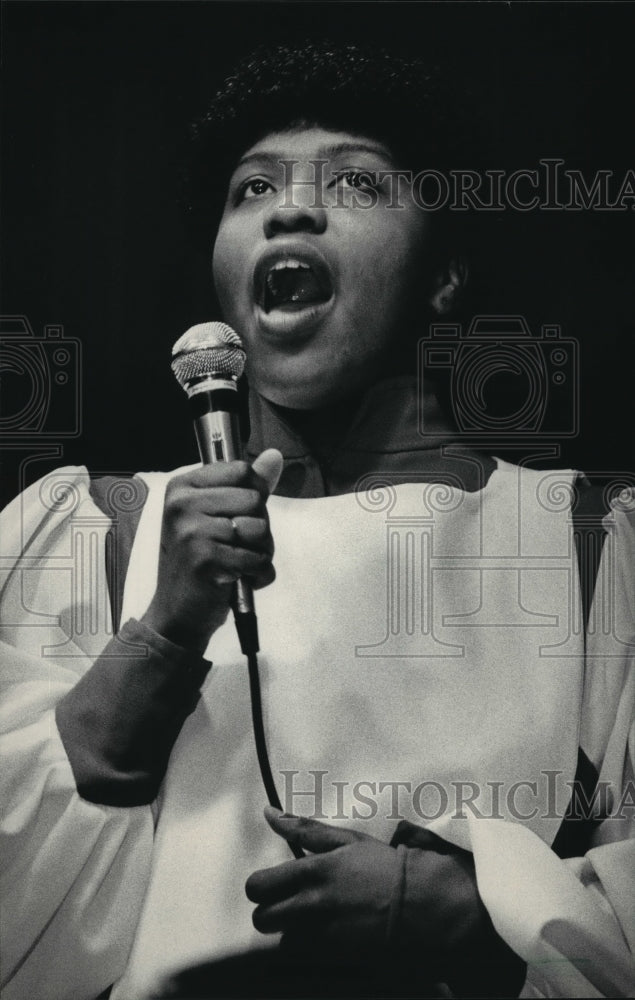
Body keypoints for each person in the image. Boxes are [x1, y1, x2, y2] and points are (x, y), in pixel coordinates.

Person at [1, 41, 633, 1000]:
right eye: (250, 190)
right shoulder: (96, 531)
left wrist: (472, 914)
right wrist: (164, 636)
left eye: (357, 187)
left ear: (445, 277)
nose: (287, 208)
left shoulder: (591, 544)